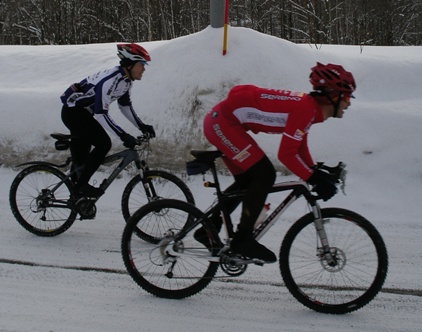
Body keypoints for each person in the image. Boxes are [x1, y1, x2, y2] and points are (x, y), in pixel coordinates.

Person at [195, 62, 356, 263]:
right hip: (222, 123)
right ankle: (242, 239)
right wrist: (314, 178)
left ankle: (207, 229)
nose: (349, 103)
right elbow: (286, 155)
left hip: (224, 122)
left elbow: (299, 146)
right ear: (333, 96)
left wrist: (314, 171)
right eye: (347, 97)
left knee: (247, 182)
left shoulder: (309, 109)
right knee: (264, 175)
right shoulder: (305, 109)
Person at [60, 43, 156, 197]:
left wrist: (142, 126)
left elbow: (125, 106)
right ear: (130, 64)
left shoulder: (125, 80)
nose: (144, 69)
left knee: (83, 161)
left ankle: (77, 196)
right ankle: (81, 186)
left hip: (84, 114)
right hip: (74, 113)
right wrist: (123, 135)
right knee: (103, 143)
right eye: (142, 64)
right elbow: (101, 114)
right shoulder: (110, 81)